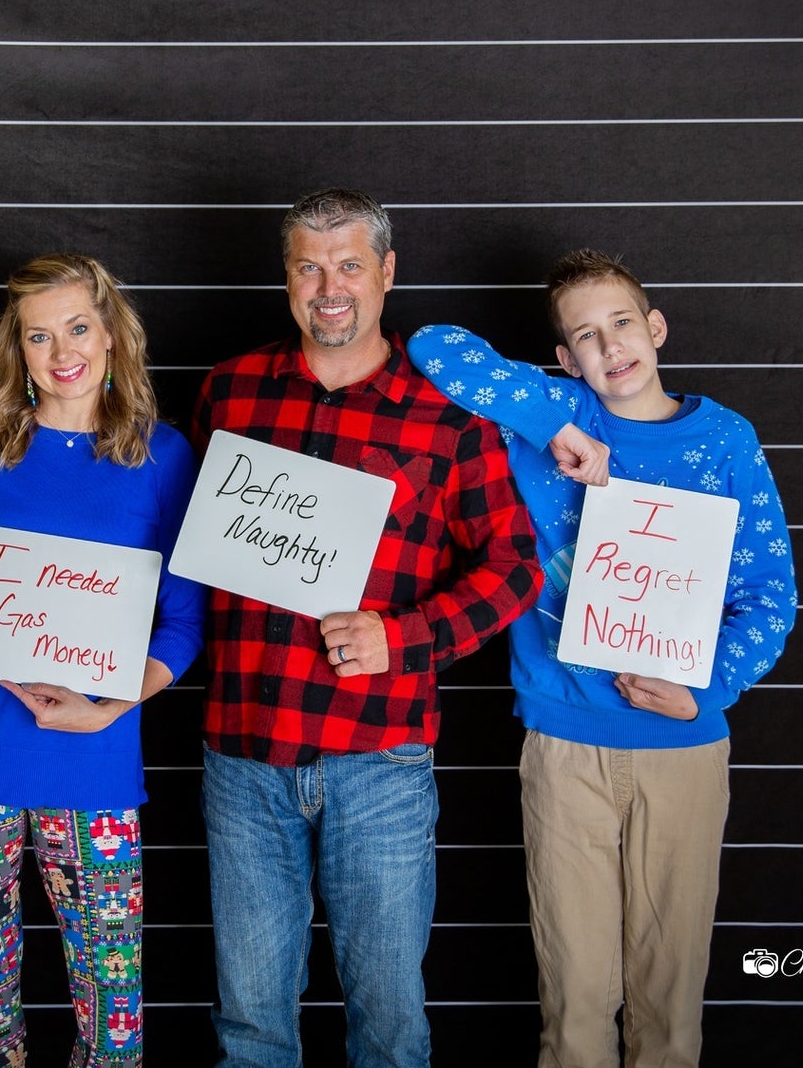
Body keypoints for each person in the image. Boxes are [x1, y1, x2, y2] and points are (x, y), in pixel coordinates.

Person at [406, 247, 799, 1068]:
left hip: (684, 744)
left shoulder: (724, 439)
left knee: (669, 998)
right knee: (576, 997)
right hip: (564, 741)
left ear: (655, 328)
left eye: (622, 323)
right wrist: (560, 424)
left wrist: (709, 688)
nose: (609, 345)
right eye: (585, 335)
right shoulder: (549, 410)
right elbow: (435, 349)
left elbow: (770, 593)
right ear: (564, 358)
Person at [191, 187, 545, 1068]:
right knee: (249, 1024)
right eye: (309, 267)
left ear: (387, 273)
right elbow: (175, 544)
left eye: (349, 264)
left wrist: (405, 636)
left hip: (379, 755)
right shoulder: (229, 391)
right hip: (243, 753)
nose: (329, 287)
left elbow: (514, 566)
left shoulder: (449, 413)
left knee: (389, 1021)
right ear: (286, 278)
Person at [0, 252, 206, 1068]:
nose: (61, 350)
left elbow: (182, 622)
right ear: (19, 348)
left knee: (112, 1014)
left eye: (77, 326)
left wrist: (115, 704)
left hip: (93, 758)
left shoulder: (162, 455)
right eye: (38, 335)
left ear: (111, 335)